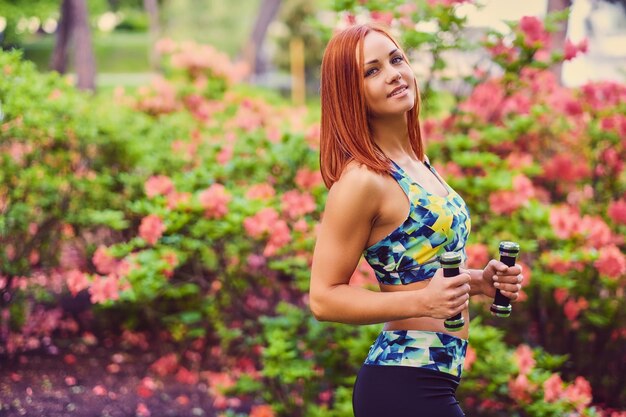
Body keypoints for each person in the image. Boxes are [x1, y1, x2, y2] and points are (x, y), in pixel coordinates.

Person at [309, 23, 524, 417]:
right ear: (348, 92)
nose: (393, 73)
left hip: (434, 377)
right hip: (403, 382)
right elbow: (324, 297)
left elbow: (415, 271)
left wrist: (479, 282)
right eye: (371, 71)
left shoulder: (416, 165)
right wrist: (424, 301)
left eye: (396, 59)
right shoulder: (362, 181)